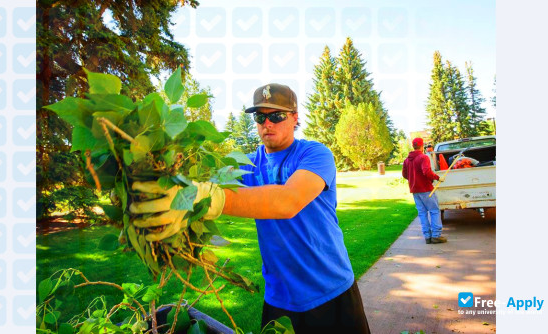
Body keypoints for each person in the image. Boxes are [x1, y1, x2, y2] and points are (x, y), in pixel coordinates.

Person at [129, 83, 371, 333]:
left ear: (295, 118)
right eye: (260, 116)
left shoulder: (315, 154)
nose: (268, 123)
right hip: (279, 298)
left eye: (276, 116)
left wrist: (208, 198)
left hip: (331, 291)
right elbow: (208, 180)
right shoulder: (248, 163)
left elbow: (288, 202)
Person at [402, 138, 447, 244]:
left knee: (422, 213)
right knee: (434, 211)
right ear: (422, 146)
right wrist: (437, 177)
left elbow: (404, 175)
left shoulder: (407, 160)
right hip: (426, 190)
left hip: (415, 191)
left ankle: (427, 236)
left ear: (413, 146)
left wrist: (413, 179)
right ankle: (436, 236)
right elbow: (426, 171)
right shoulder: (423, 157)